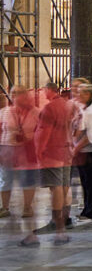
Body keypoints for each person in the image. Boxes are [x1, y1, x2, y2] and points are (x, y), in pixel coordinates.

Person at [30, 83, 74, 245]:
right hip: (66, 150)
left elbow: (43, 133)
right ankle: (62, 222)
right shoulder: (67, 105)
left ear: (49, 90)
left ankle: (58, 226)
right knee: (63, 186)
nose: (42, 93)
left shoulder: (50, 108)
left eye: (43, 90)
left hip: (53, 152)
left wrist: (39, 151)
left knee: (55, 187)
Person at [0, 86, 38, 221]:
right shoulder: (4, 112)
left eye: (19, 93)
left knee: (27, 178)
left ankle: (27, 207)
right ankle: (4, 207)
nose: (15, 96)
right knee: (5, 178)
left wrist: (30, 137)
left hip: (27, 149)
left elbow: (42, 131)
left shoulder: (35, 112)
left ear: (26, 96)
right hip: (7, 148)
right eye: (13, 93)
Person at [72, 83, 92, 221]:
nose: (77, 95)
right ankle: (88, 209)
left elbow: (88, 136)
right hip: (85, 149)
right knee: (86, 181)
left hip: (88, 150)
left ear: (88, 94)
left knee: (90, 181)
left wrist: (75, 149)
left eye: (81, 92)